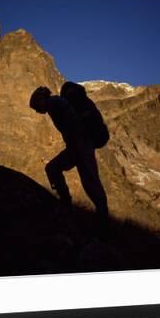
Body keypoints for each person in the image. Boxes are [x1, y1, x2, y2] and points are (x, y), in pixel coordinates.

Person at [29, 86, 109, 230]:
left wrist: (77, 143)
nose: (36, 111)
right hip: (79, 146)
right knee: (87, 179)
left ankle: (99, 217)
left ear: (40, 100)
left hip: (80, 146)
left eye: (36, 106)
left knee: (88, 180)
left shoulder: (54, 104)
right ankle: (95, 213)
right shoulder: (56, 103)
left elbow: (72, 123)